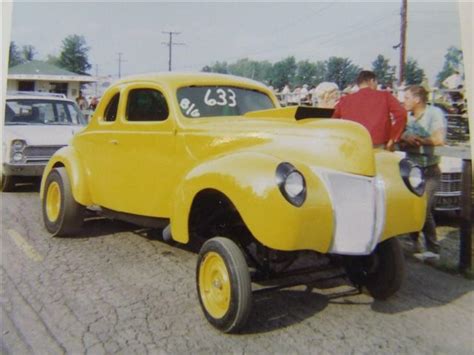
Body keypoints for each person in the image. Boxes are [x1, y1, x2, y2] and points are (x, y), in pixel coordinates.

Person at [400, 85, 447, 254]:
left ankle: (433, 247)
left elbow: (439, 139)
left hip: (429, 170)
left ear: (417, 99)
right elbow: (399, 135)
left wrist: (419, 140)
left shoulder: (434, 113)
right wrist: (406, 138)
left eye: (406, 98)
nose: (403, 101)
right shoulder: (407, 117)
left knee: (423, 208)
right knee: (412, 206)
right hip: (412, 169)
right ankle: (413, 243)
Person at [332, 70, 407, 150]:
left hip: (352, 145)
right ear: (372, 81)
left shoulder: (345, 100)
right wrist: (393, 138)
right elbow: (402, 114)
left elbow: (332, 119)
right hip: (379, 144)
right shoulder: (385, 96)